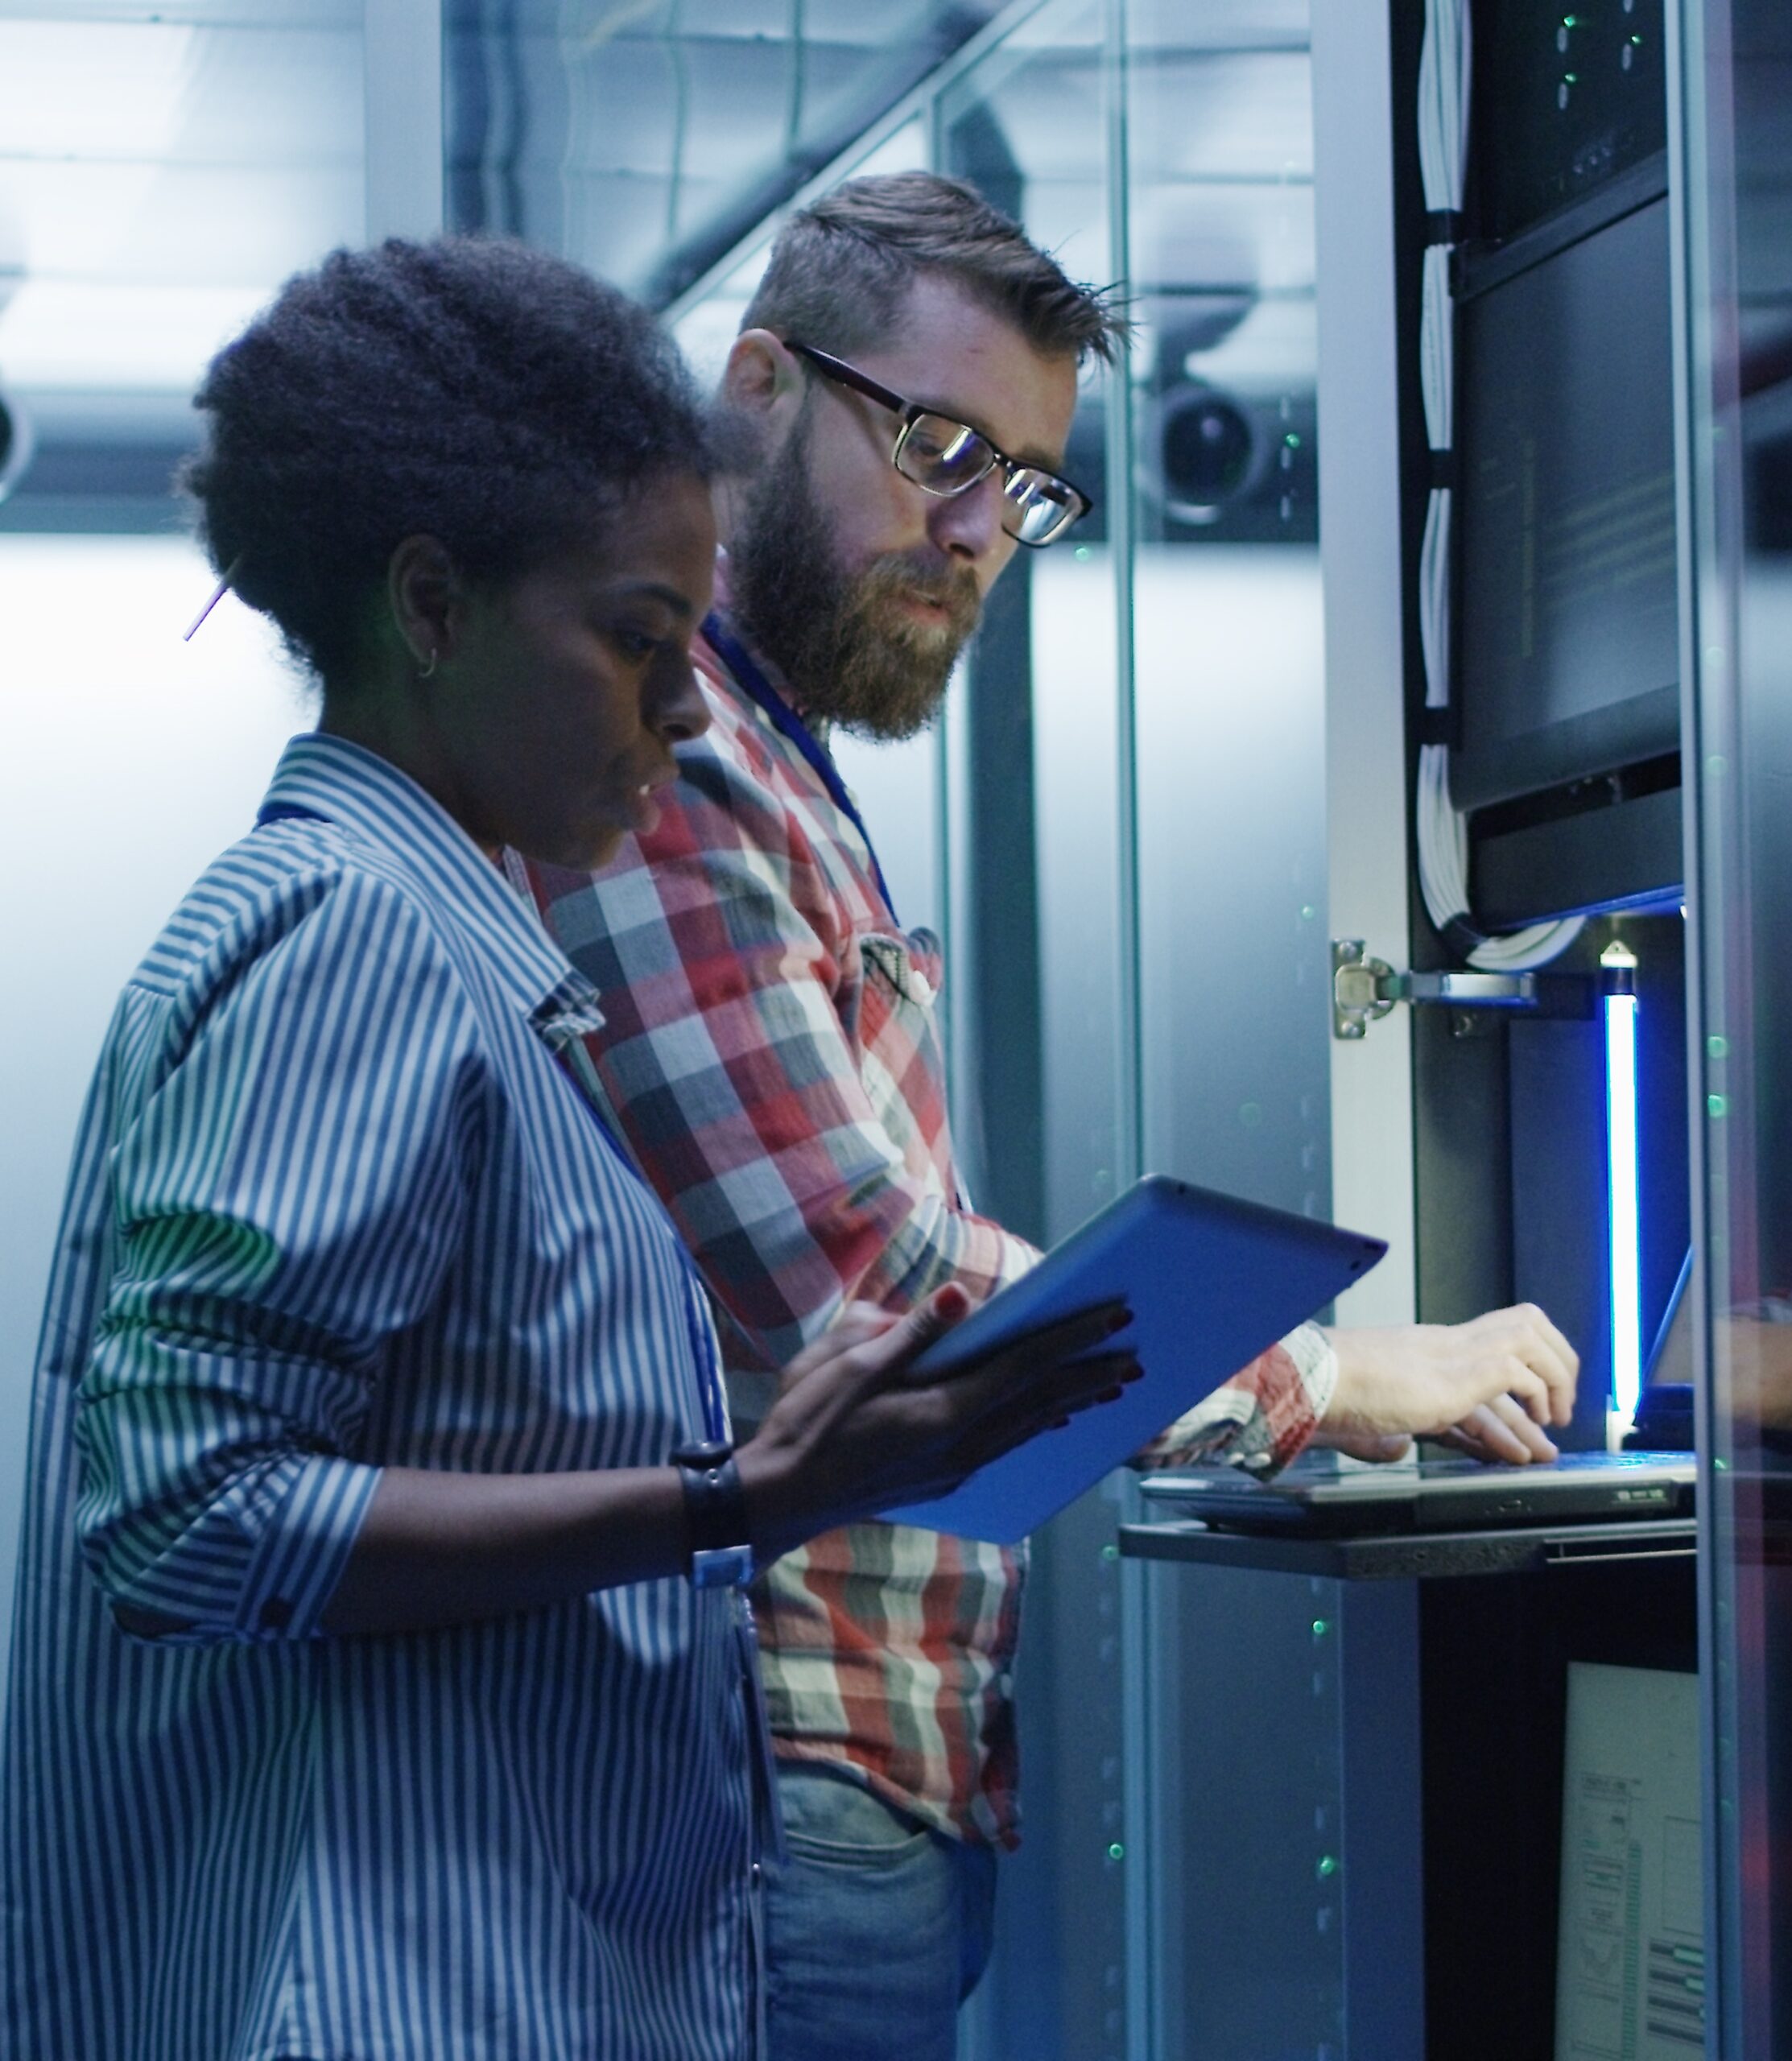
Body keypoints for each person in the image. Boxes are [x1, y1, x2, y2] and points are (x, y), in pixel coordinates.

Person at [0, 236, 1143, 2061]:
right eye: (635, 644)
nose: (690, 710)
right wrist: (731, 1500)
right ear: (436, 606)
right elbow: (184, 1517)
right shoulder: (361, 928)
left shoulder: (451, 939)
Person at [522, 171, 1582, 2060]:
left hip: (848, 1780)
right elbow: (874, 1284)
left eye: (1022, 485)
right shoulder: (668, 760)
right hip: (767, 1774)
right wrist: (1332, 1373)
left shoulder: (767, 762)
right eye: (934, 443)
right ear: (755, 389)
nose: (976, 531)